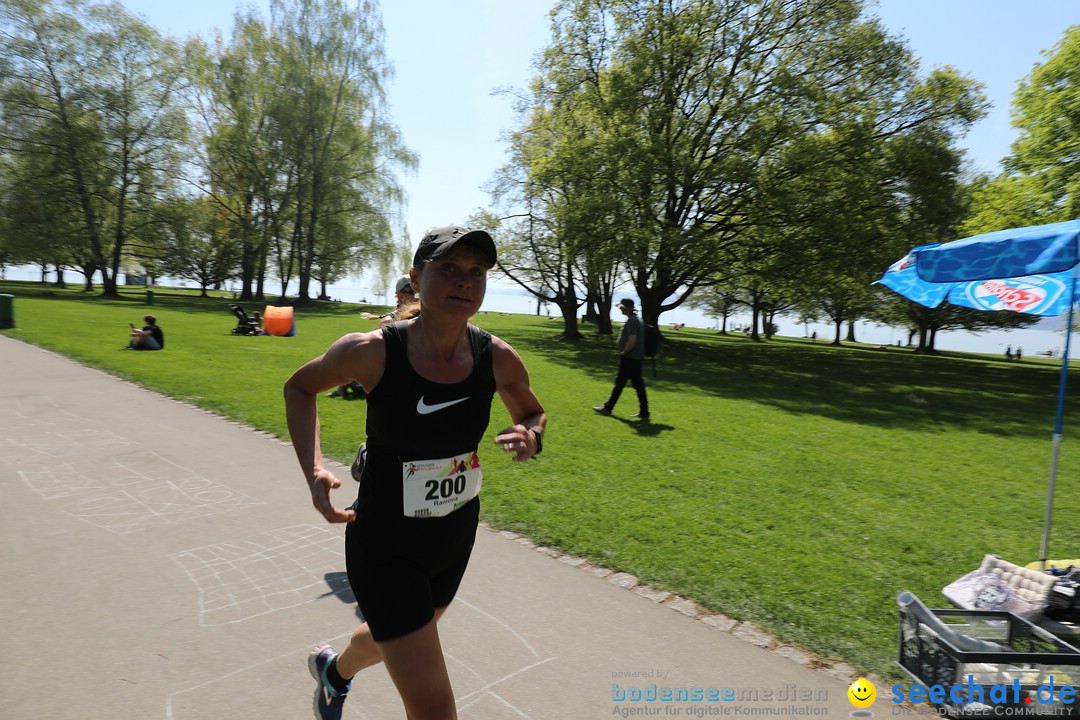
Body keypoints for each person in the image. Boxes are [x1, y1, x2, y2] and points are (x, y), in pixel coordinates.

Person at [284, 225, 547, 720]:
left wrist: (532, 436)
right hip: (384, 544)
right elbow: (299, 388)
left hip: (453, 536)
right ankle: (335, 674)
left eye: (476, 272)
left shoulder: (497, 357)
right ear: (416, 276)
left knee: (401, 631)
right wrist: (313, 469)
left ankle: (334, 672)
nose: (464, 281)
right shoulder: (373, 351)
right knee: (434, 708)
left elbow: (532, 413)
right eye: (448, 268)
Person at [333, 276, 418, 397]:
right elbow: (367, 351)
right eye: (408, 292)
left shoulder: (422, 317)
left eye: (415, 292)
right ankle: (346, 386)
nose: (413, 296)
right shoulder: (388, 321)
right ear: (398, 294)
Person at [593, 297, 649, 420]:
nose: (620, 309)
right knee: (638, 385)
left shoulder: (632, 321)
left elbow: (632, 340)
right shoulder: (637, 319)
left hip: (630, 357)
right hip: (637, 358)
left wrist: (624, 352)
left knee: (619, 383)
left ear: (625, 308)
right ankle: (644, 412)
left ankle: (607, 408)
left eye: (621, 307)